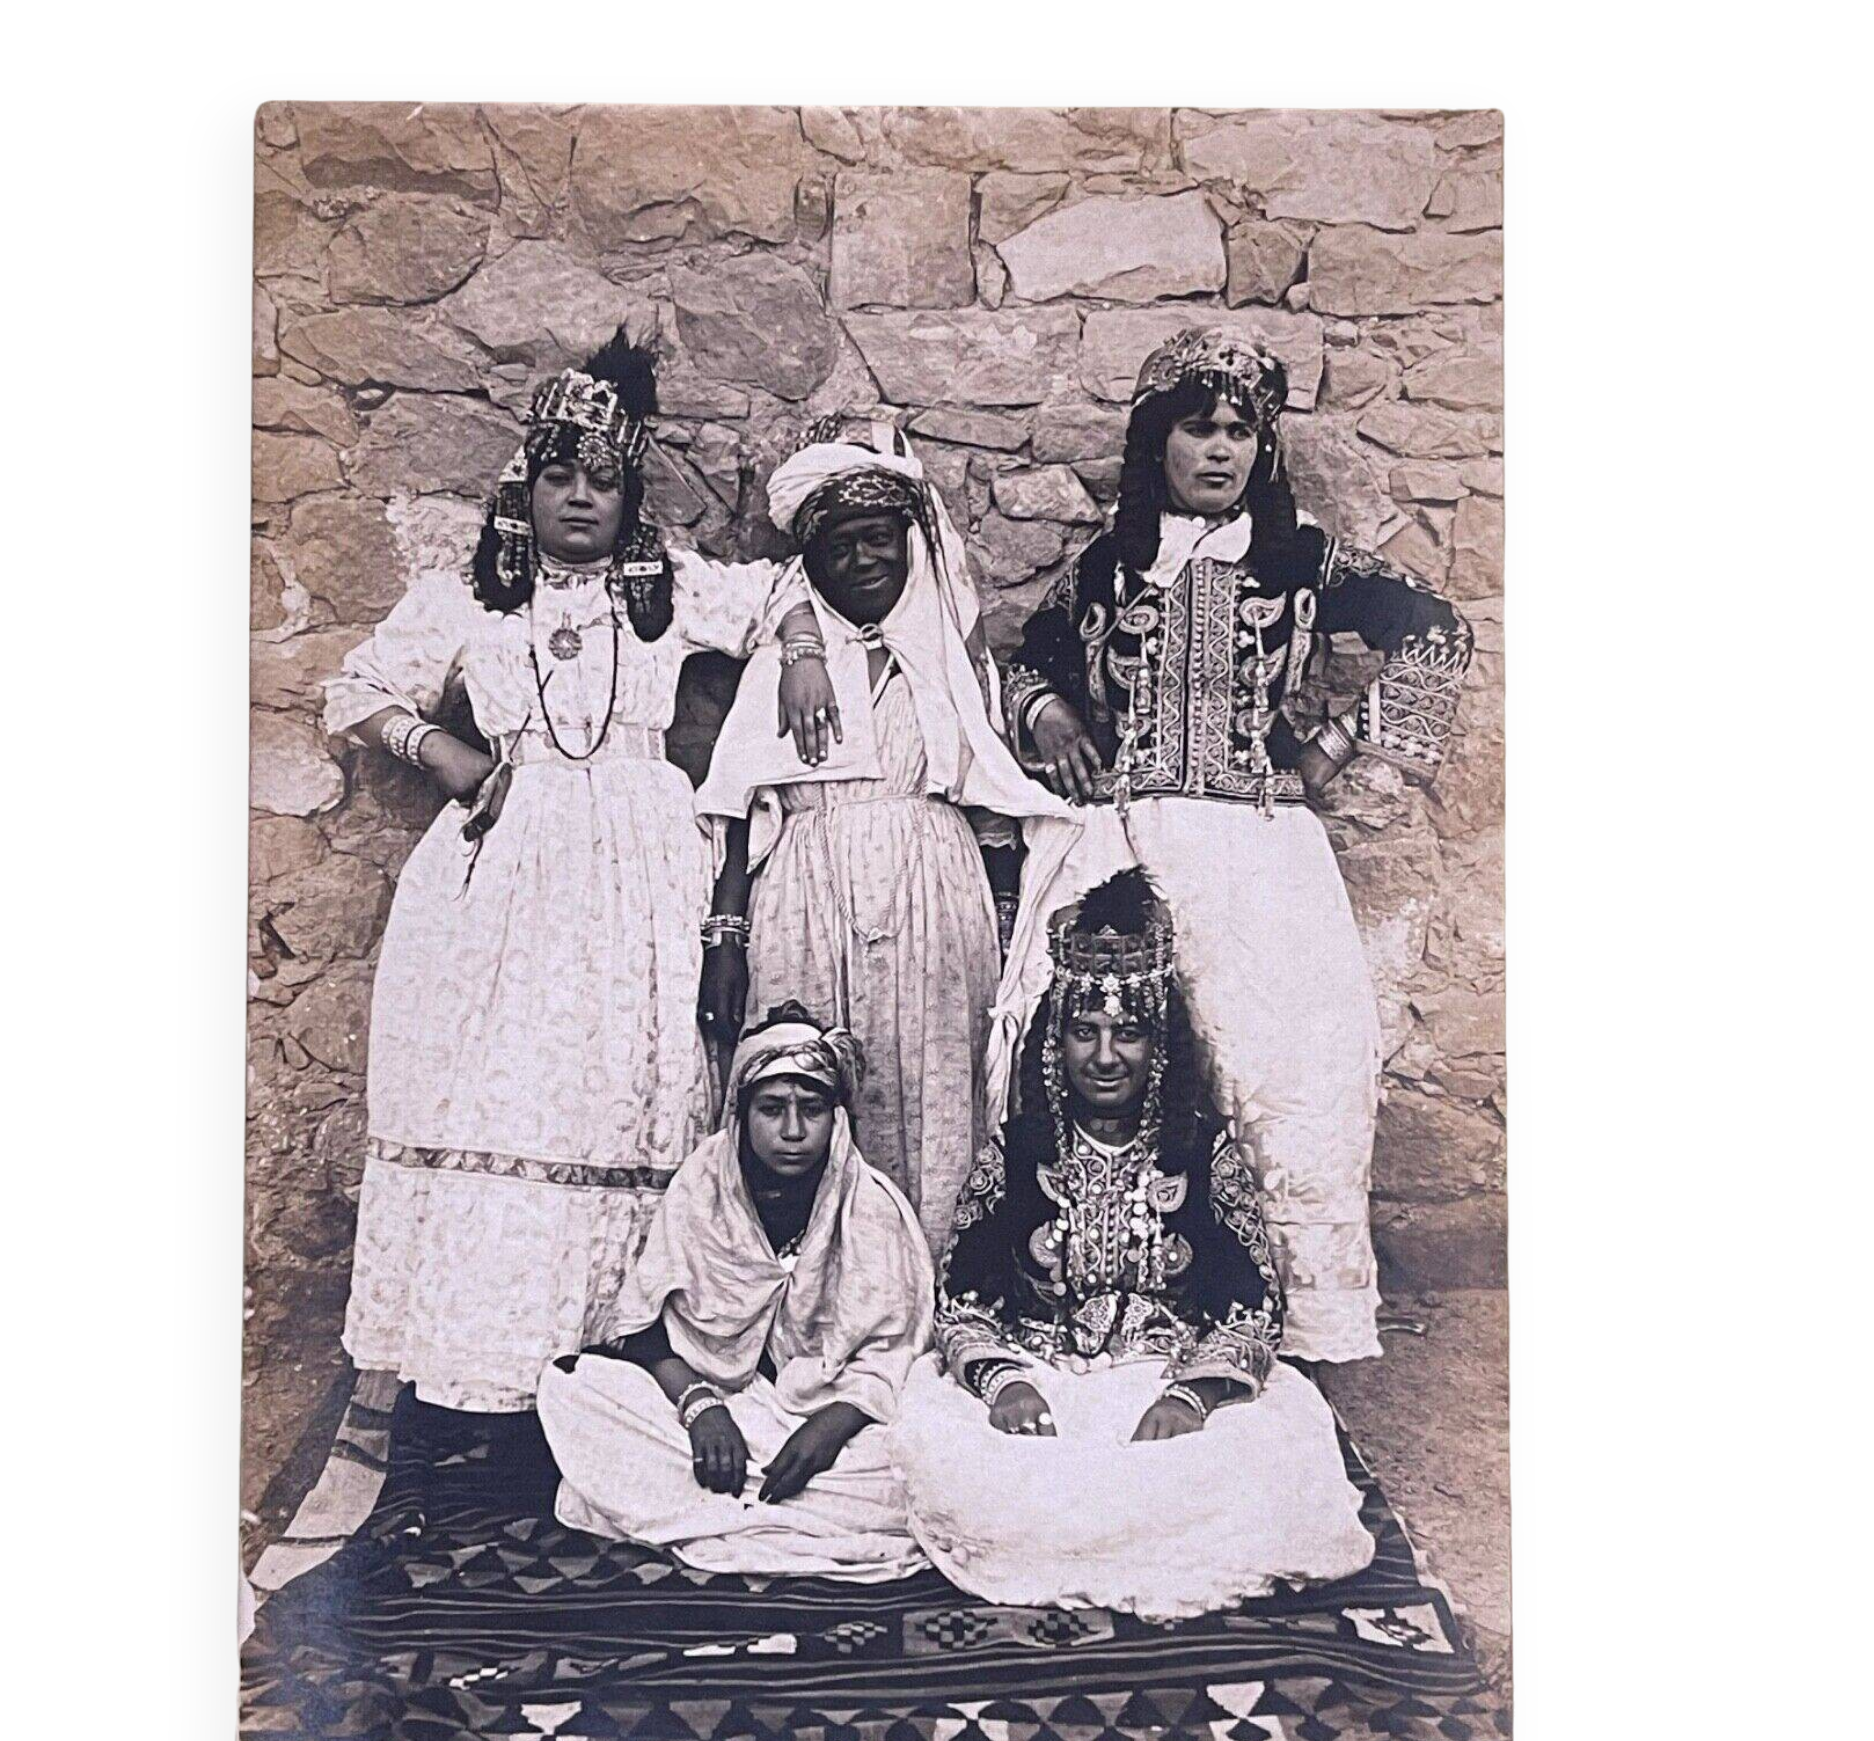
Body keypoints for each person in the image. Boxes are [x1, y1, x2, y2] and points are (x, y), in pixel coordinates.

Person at [319, 333, 829, 1415]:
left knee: (622, 1097)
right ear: (526, 486)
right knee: (501, 1093)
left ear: (628, 492)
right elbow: (352, 688)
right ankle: (479, 1371)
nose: (581, 499)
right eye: (560, 476)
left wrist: (803, 657)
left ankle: (609, 1370)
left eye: (603, 479)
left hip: (640, 876)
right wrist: (442, 751)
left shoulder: (671, 589)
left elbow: (787, 587)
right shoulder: (471, 602)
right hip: (498, 877)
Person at [986, 329, 1475, 1365]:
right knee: (1117, 1063)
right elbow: (1023, 657)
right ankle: (1118, 1317)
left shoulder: (1297, 555)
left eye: (1238, 431)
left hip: (1264, 860)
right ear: (1153, 440)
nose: (1218, 451)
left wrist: (1334, 744)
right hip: (1130, 845)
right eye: (1195, 428)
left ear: (1262, 445)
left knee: (1283, 1073)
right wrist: (1048, 720)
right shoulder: (1110, 566)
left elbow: (1435, 627)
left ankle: (1283, 1332)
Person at [889, 870, 1377, 1619]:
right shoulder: (1019, 1152)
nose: (1106, 1055)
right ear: (1056, 1042)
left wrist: (1193, 1394)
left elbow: (1252, 1310)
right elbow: (962, 1300)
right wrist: (1004, 1384)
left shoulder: (1199, 1151)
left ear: (1161, 1042)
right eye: (1085, 1031)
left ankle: (1094, 1543)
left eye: (1129, 1032)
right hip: (1039, 1380)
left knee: (1279, 1457)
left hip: (1167, 1383)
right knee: (957, 1462)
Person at [694, 418, 1072, 1254]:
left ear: (910, 544)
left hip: (932, 891)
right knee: (807, 1093)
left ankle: (934, 1283)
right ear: (813, 565)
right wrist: (725, 939)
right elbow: (740, 811)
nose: (864, 561)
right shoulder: (783, 665)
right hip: (805, 886)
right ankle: (803, 1288)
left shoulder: (945, 664)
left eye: (879, 540)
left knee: (933, 1082)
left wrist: (1008, 928)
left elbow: (993, 801)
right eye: (840, 548)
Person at [537, 1006, 932, 1580]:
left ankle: (723, 1509)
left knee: (918, 1448)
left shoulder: (870, 1204)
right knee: (576, 1387)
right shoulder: (703, 1185)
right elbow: (643, 1330)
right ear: (742, 1116)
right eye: (772, 1110)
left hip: (830, 1419)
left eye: (812, 1110)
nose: (793, 1132)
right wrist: (700, 1408)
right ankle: (788, 1515)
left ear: (837, 1118)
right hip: (714, 1401)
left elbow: (900, 1350)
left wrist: (831, 1426)